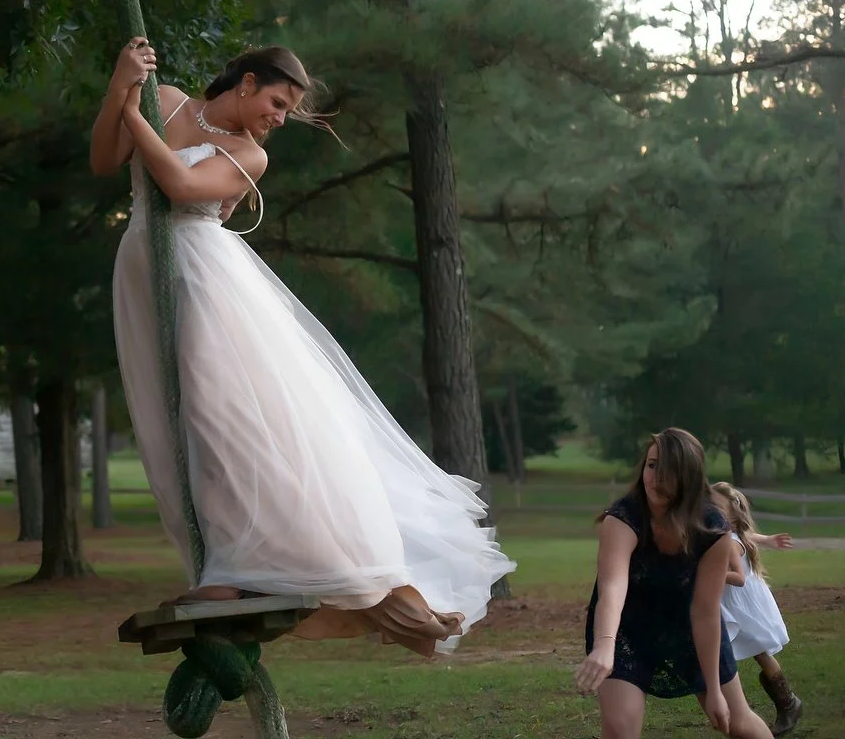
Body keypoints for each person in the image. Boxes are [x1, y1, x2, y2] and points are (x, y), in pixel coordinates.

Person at [93, 40, 515, 654]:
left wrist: (134, 112)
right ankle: (223, 562)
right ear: (245, 83)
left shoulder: (248, 155)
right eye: (277, 101)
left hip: (206, 279)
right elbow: (106, 159)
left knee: (219, 416)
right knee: (170, 419)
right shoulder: (167, 101)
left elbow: (182, 186)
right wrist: (122, 87)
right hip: (141, 268)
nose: (280, 117)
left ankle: (237, 572)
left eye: (288, 109)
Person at [574, 428, 773, 738]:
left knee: (738, 722)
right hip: (627, 630)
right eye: (651, 465)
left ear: (689, 476)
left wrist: (715, 690)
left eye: (667, 469)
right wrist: (604, 645)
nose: (655, 477)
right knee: (619, 727)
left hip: (689, 627)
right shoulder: (624, 518)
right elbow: (613, 587)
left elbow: (705, 612)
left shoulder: (712, 530)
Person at [711, 482, 803, 735]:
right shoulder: (731, 533)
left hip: (740, 600)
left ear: (732, 513)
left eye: (717, 507)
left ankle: (786, 702)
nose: (710, 510)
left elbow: (736, 575)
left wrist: (709, 571)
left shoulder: (728, 540)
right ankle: (786, 702)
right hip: (743, 599)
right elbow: (748, 535)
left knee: (751, 649)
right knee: (755, 650)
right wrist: (768, 539)